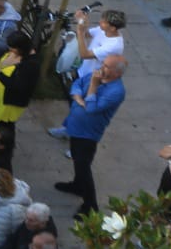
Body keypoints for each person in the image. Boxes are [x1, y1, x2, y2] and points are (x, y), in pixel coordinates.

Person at [51, 54, 128, 213]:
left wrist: (93, 85)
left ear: (117, 73)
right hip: (76, 126)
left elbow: (92, 109)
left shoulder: (116, 91)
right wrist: (79, 98)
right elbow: (77, 83)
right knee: (77, 160)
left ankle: (90, 205)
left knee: (83, 166)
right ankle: (77, 185)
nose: (102, 67)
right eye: (103, 64)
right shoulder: (97, 73)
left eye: (107, 66)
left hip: (87, 134)